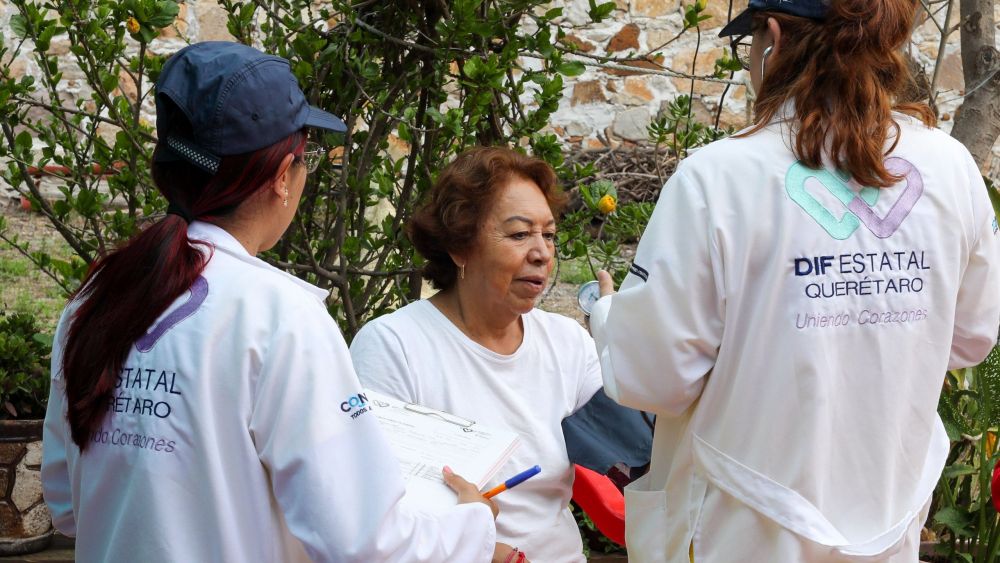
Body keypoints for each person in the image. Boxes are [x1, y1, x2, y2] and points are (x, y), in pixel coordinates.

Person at [40, 41, 507, 562]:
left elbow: (66, 505)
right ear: (283, 177)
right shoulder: (280, 319)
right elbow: (365, 544)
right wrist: (472, 524)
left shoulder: (96, 298)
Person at [588, 0, 1000, 561]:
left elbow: (653, 378)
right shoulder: (950, 169)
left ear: (774, 38)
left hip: (741, 527)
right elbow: (970, 338)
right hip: (887, 513)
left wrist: (607, 314)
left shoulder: (718, 179)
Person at [350, 147, 604, 563]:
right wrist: (485, 548)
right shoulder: (394, 346)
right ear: (460, 247)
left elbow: (630, 450)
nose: (541, 252)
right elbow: (379, 513)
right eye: (520, 234)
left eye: (549, 234)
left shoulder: (566, 342)